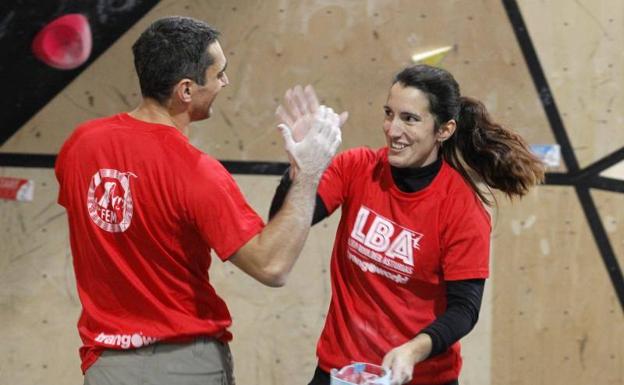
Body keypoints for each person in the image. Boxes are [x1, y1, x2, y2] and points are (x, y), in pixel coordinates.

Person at [54, 16, 344, 385]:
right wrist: (309, 172)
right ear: (186, 90)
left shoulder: (79, 145)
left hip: (107, 368)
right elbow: (272, 266)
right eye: (220, 73)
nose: (226, 82)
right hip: (185, 365)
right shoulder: (197, 172)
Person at [270, 64, 545, 385]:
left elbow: (464, 310)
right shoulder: (357, 167)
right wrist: (301, 168)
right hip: (342, 372)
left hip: (420, 377)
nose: (392, 129)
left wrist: (413, 350)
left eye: (409, 119)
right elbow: (281, 224)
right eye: (389, 114)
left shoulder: (461, 206)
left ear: (444, 130)